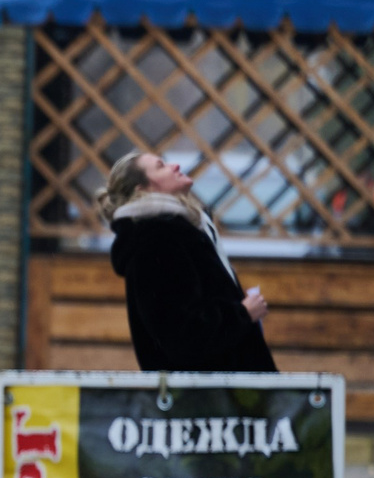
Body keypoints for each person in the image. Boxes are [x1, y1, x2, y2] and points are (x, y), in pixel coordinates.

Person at [100, 151, 276, 373]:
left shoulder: (180, 229)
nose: (174, 166)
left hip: (223, 392)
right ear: (142, 189)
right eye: (161, 166)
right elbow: (181, 337)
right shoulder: (155, 239)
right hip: (211, 399)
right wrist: (243, 314)